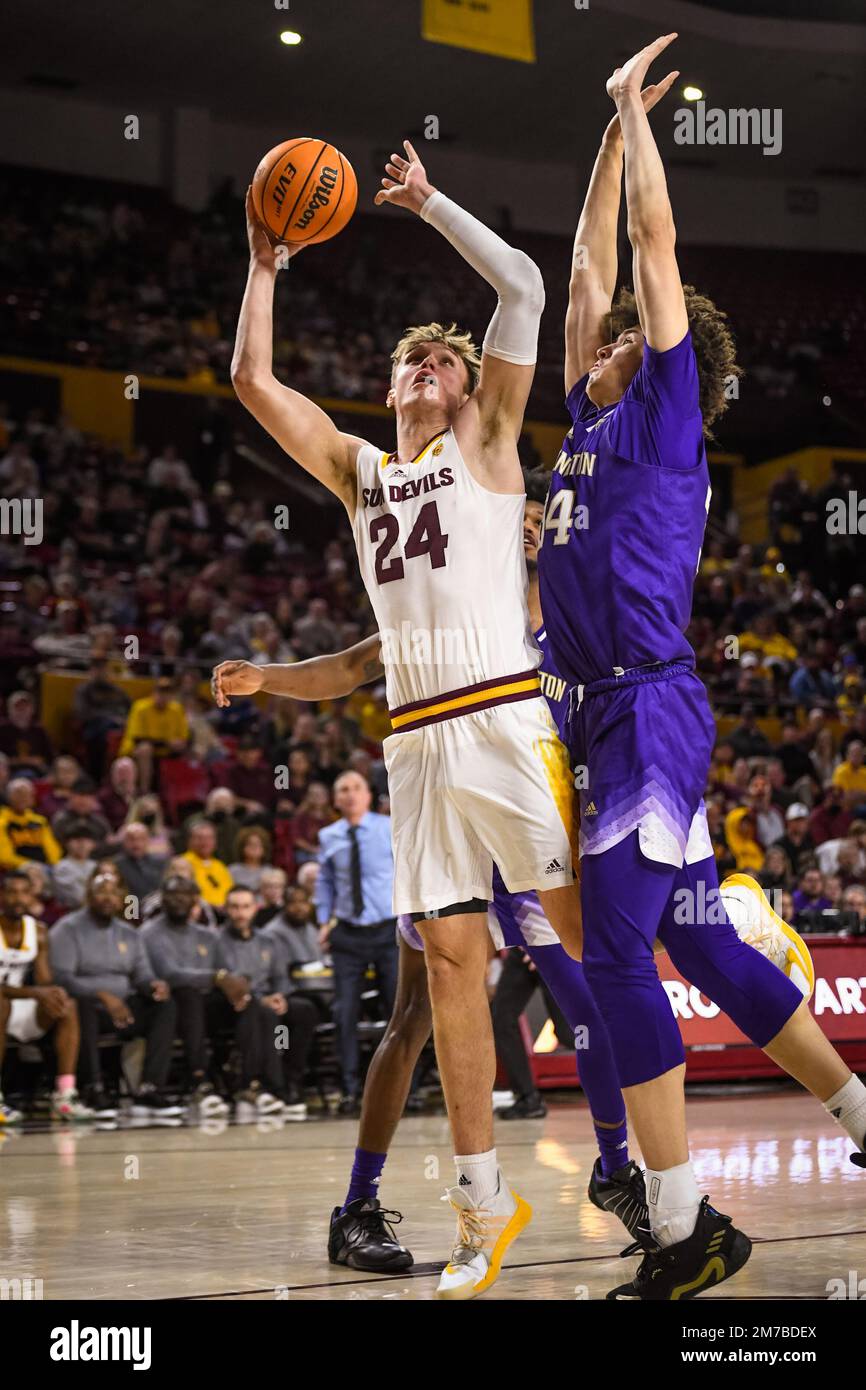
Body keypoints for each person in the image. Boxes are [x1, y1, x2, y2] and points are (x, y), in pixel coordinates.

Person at [213, 486, 816, 1276]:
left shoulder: (583, 621)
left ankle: (615, 1174)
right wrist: (272, 678)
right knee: (411, 1022)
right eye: (523, 521)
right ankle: (358, 1202)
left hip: (539, 837)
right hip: (462, 824)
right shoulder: (464, 596)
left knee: (600, 996)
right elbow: (363, 662)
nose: (533, 532)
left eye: (543, 522)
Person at [536, 33, 866, 1299]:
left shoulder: (669, 408)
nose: (603, 339)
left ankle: (681, 1230)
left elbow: (651, 256)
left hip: (644, 714)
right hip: (603, 719)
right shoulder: (589, 416)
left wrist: (635, 110)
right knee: (701, 943)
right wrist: (607, 142)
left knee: (615, 953)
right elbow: (587, 265)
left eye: (620, 338)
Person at [229, 134, 582, 1298]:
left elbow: (522, 286)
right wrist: (266, 268)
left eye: (446, 356)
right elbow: (250, 384)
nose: (430, 364)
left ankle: (655, 1173)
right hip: (415, 743)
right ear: (391, 393)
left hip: (503, 719)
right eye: (413, 360)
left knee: (591, 943)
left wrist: (427, 206)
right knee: (446, 974)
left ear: (471, 389)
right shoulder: (358, 474)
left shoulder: (487, 444)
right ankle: (483, 1207)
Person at [49, 872, 181, 1118]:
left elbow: (142, 974)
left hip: (124, 1008)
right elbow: (61, 979)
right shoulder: (67, 929)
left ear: (122, 898)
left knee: (165, 1006)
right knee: (81, 1006)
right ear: (89, 895)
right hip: (88, 1010)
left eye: (113, 893)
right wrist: (103, 995)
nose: (107, 898)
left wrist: (154, 985)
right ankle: (93, 1089)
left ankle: (150, 1088)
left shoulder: (129, 932)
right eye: (101, 892)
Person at [315, 772, 398, 1115]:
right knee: (343, 1012)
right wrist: (324, 921)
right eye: (343, 790)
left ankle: (400, 1089)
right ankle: (350, 1090)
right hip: (348, 932)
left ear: (368, 795)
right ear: (335, 799)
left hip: (387, 930)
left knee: (400, 1010)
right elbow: (325, 881)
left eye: (356, 789)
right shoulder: (328, 835)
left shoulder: (388, 827)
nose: (350, 795)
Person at [140, 875, 243, 1115]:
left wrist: (239, 985)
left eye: (185, 894)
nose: (178, 900)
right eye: (172, 894)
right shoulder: (150, 933)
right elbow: (170, 974)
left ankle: (254, 1085)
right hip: (168, 1005)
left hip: (208, 1004)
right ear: (162, 899)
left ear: (196, 900)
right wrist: (216, 978)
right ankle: (199, 1081)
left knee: (252, 1005)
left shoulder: (208, 935)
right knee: (189, 995)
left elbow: (228, 970)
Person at [0, 868, 93, 1123]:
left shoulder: (39, 932)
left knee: (66, 1005)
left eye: (24, 893)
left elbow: (44, 981)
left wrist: (53, 992)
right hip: (3, 1007)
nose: (17, 899)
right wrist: (36, 992)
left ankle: (64, 1095)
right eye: (11, 893)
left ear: (32, 896)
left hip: (17, 1008)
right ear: (2, 896)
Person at [118, 676, 189, 791]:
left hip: (167, 751)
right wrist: (167, 742)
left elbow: (184, 736)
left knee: (194, 751)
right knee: (145, 749)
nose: (163, 696)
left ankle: (182, 794)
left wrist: (180, 743)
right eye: (161, 692)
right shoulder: (140, 707)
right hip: (136, 751)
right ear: (154, 692)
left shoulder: (176, 709)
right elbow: (138, 739)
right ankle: (144, 791)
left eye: (167, 693)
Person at [0, 777, 62, 870]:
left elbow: (52, 849)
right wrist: (30, 865)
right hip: (16, 870)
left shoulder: (40, 821)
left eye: (27, 795)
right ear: (8, 797)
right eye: (18, 794)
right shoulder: (2, 822)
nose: (23, 798)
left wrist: (54, 865)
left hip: (44, 868)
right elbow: (4, 857)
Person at [182, 819, 232, 908]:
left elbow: (230, 892)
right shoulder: (183, 863)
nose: (205, 842)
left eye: (209, 838)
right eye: (199, 838)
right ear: (190, 841)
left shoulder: (220, 866)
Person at [51, 822, 98, 909]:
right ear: (66, 844)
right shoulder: (62, 868)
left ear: (94, 844)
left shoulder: (96, 866)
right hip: (71, 912)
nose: (82, 844)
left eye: (86, 840)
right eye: (77, 839)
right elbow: (78, 898)